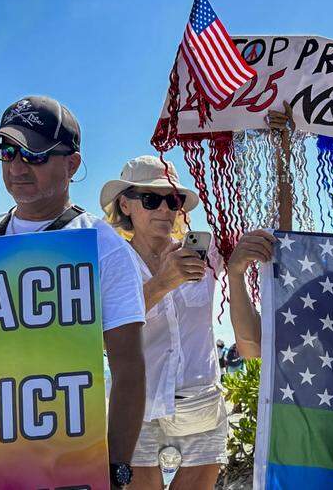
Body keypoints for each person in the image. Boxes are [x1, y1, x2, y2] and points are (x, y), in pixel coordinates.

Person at [0, 95, 145, 489]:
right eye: (7, 151)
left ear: (71, 164)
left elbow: (129, 369)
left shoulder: (102, 246)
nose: (18, 166)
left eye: (34, 154)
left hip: (65, 468)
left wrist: (115, 470)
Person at [100, 155, 228, 490]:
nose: (165, 209)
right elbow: (100, 337)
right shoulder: (110, 261)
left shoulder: (208, 253)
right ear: (125, 206)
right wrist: (163, 282)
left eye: (173, 200)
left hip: (199, 400)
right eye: (151, 199)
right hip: (136, 409)